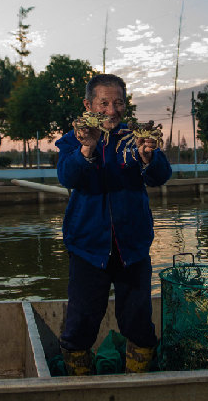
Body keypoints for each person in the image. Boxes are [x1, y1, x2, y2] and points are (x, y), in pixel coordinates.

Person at [55, 74, 172, 374]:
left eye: (118, 103)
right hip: (87, 248)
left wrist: (149, 159)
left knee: (138, 320)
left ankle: (140, 378)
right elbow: (68, 177)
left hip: (132, 247)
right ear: (88, 105)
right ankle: (79, 382)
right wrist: (87, 150)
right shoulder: (72, 140)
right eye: (103, 103)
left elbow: (161, 176)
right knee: (81, 321)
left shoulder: (133, 140)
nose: (111, 110)